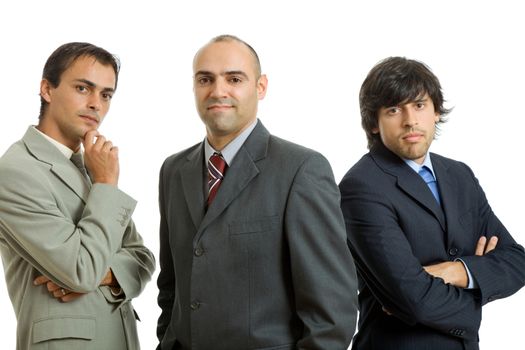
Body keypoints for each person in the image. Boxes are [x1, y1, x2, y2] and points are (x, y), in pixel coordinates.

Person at [156, 34, 358, 350]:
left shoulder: (301, 170)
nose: (218, 91)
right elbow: (171, 285)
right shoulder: (173, 170)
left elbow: (332, 314)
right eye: (205, 79)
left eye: (234, 78)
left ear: (260, 87)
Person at [339, 56, 525, 350]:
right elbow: (414, 301)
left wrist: (456, 270)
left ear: (436, 111)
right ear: (374, 123)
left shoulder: (459, 174)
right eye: (393, 109)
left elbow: (517, 261)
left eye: (419, 105)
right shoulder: (361, 187)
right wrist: (478, 288)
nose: (410, 120)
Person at [0, 42, 155, 350]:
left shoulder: (90, 167)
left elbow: (142, 258)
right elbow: (80, 271)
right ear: (47, 89)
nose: (97, 104)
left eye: (106, 94)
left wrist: (109, 274)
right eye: (84, 88)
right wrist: (107, 184)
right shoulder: (15, 171)